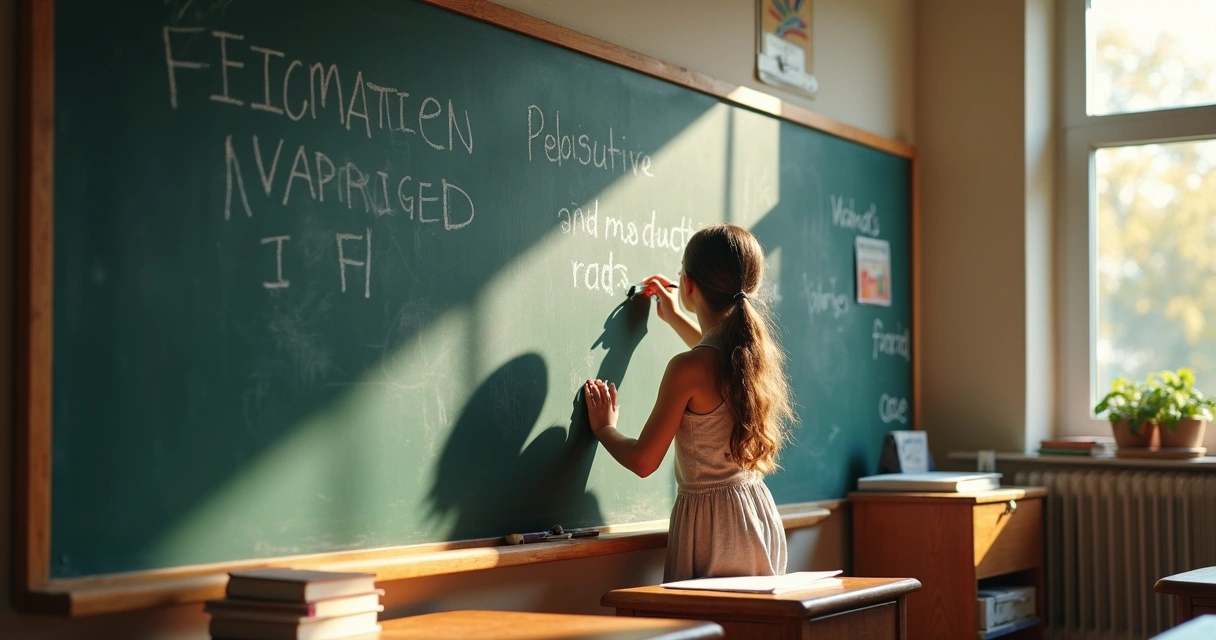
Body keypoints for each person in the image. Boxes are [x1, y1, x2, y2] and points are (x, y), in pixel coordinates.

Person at [583, 223, 795, 581]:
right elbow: (712, 357)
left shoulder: (687, 368)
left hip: (715, 531)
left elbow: (644, 460)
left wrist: (604, 428)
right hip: (756, 515)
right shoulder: (751, 354)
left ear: (689, 285)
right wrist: (676, 318)